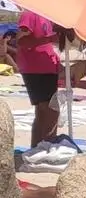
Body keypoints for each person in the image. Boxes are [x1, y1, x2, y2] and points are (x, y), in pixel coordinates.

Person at [14, 11, 65, 148]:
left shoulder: (47, 16)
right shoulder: (30, 14)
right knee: (51, 110)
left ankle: (36, 147)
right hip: (35, 68)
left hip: (45, 68)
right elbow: (21, 40)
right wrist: (49, 39)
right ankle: (47, 146)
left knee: (42, 111)